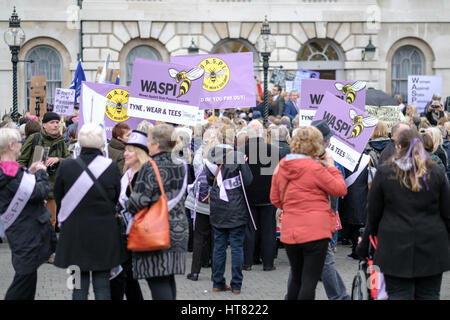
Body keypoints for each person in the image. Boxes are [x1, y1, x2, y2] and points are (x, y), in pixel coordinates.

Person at [365, 129, 450, 300]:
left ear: (398, 146)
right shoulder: (436, 173)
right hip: (431, 244)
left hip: (394, 244)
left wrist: (365, 242)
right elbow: (447, 213)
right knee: (429, 295)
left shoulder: (385, 172)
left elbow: (373, 213)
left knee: (398, 294)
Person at [270, 126, 347, 300]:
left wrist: (291, 206)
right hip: (316, 231)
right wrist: (332, 167)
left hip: (291, 231)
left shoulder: (282, 166)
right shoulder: (315, 168)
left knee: (296, 278)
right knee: (309, 281)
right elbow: (340, 189)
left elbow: (275, 199)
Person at [53, 123, 126, 300]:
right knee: (102, 286)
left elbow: (58, 197)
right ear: (101, 143)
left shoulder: (67, 167)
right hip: (103, 234)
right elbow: (116, 198)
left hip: (74, 235)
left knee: (77, 287)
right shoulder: (111, 167)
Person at [126, 124, 189, 300]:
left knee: (157, 279)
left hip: (154, 230)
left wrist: (125, 205)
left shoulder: (150, 167)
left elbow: (139, 201)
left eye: (149, 140)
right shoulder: (182, 164)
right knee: (168, 278)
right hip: (178, 228)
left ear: (155, 143)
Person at [0, 128, 56, 300]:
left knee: (28, 281)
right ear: (11, 146)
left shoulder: (9, 170)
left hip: (22, 230)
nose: (20, 146)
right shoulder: (9, 172)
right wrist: (41, 173)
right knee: (23, 281)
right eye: (19, 143)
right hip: (25, 232)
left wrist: (30, 172)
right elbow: (40, 192)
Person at [205, 124, 253, 294]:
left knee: (219, 246)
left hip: (218, 206)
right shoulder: (237, 156)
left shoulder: (211, 155)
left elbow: (209, 179)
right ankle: (236, 285)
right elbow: (247, 180)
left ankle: (217, 282)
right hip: (237, 206)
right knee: (237, 247)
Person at [110, 130, 148, 300]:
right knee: (128, 277)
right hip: (124, 233)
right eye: (125, 149)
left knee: (122, 275)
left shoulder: (146, 175)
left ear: (140, 153)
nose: (125, 153)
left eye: (130, 150)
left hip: (138, 233)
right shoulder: (126, 173)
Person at [18, 112, 71, 231]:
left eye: (57, 122)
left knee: (51, 222)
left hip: (53, 189)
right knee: (34, 222)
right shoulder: (34, 138)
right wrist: (29, 172)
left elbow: (69, 160)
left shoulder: (61, 141)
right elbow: (21, 161)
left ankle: (48, 248)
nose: (56, 125)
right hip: (34, 187)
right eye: (52, 122)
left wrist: (58, 159)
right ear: (44, 125)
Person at [243, 120, 279, 272]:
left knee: (249, 230)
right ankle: (268, 263)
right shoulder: (272, 149)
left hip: (249, 195)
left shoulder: (241, 150)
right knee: (268, 230)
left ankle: (248, 262)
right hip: (267, 195)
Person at [185, 128, 219, 281]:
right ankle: (215, 273)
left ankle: (194, 272)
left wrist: (205, 142)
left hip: (200, 203)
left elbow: (196, 157)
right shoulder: (222, 163)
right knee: (217, 238)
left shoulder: (200, 163)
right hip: (217, 205)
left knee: (199, 238)